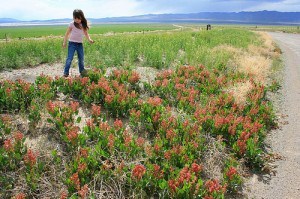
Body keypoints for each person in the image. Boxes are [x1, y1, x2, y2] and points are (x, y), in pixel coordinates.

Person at [62, 9, 94, 77]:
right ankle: (66, 72)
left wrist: (90, 39)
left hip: (79, 44)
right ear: (73, 17)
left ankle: (82, 71)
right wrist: (64, 42)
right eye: (75, 18)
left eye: (78, 18)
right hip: (72, 44)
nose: (76, 20)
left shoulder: (83, 25)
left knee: (81, 58)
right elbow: (67, 34)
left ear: (81, 17)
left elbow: (86, 34)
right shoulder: (71, 24)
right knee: (69, 58)